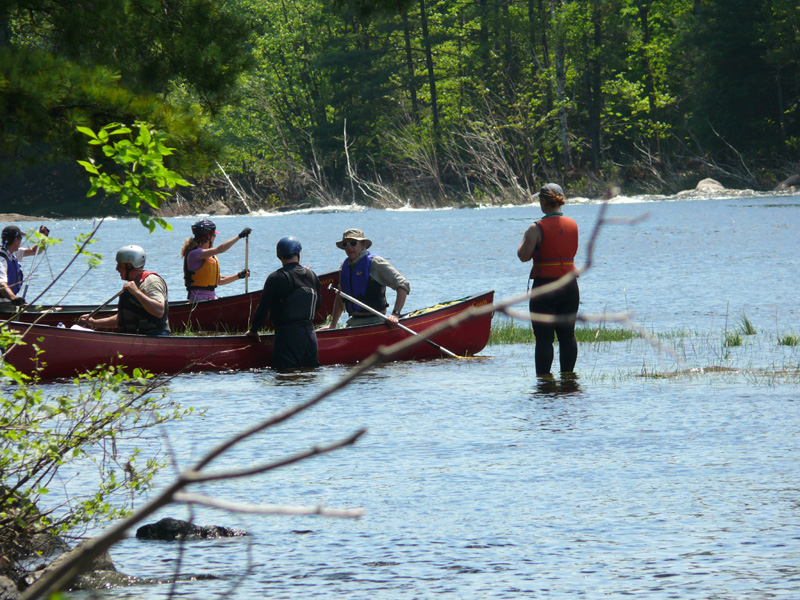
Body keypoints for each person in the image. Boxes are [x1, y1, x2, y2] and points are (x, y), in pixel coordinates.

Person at [517, 183, 580, 376]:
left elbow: (523, 256)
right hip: (569, 287)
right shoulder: (573, 224)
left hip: (544, 288)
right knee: (567, 335)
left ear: (543, 202)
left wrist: (526, 237)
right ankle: (568, 380)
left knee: (544, 338)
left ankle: (544, 383)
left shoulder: (535, 228)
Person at [246, 237, 321, 371]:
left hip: (287, 336)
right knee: (309, 374)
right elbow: (318, 305)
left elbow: (263, 308)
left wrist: (253, 330)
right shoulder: (313, 276)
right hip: (310, 336)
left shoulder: (276, 277)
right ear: (298, 253)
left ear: (279, 255)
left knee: (286, 375)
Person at [322, 228, 410, 329]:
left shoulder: (375, 263)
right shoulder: (344, 267)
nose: (349, 247)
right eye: (345, 244)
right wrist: (333, 324)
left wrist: (395, 314)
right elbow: (341, 296)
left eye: (353, 243)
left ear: (363, 245)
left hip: (376, 321)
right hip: (353, 322)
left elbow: (403, 284)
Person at [79, 245, 170, 336]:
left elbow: (159, 311)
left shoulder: (151, 281)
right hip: (135, 337)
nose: (117, 268)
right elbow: (122, 319)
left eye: (119, 265)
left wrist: (136, 292)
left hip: (155, 336)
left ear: (129, 265)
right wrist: (94, 323)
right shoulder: (132, 284)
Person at [180, 219, 251, 301]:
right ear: (209, 237)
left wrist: (239, 276)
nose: (214, 238)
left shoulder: (210, 256)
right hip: (198, 300)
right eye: (214, 236)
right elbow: (220, 249)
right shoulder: (195, 254)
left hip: (212, 298)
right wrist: (239, 236)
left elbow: (219, 281)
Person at [0, 224, 49, 307]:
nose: (21, 241)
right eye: (21, 238)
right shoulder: (1, 258)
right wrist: (14, 298)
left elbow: (35, 251)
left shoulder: (13, 253)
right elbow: (1, 284)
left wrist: (43, 237)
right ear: (16, 240)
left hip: (9, 302)